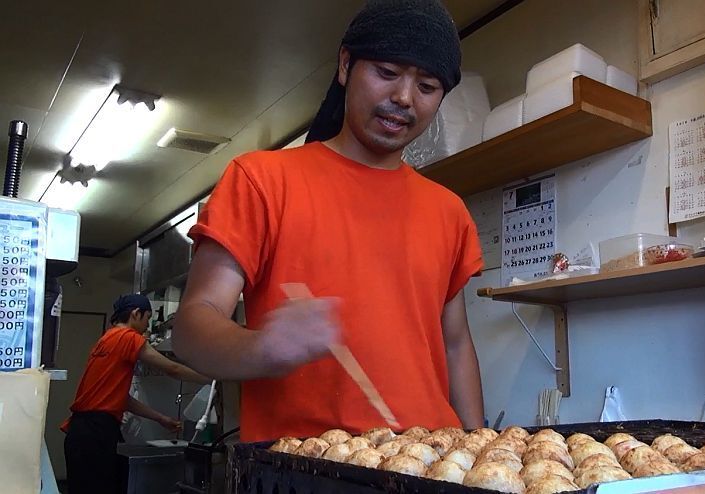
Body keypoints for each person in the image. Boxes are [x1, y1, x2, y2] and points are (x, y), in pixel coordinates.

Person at [173, 0, 484, 442]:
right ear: (345, 65)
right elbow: (191, 326)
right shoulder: (262, 180)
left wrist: (479, 446)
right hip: (307, 467)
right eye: (387, 72)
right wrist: (261, 348)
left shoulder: (449, 211)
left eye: (428, 86)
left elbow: (456, 345)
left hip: (429, 461)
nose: (403, 97)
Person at [62, 294, 210, 494]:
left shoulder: (106, 339)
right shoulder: (128, 337)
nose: (147, 326)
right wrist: (212, 378)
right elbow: (173, 370)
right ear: (135, 314)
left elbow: (122, 398)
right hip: (96, 431)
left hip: (81, 431)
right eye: (147, 318)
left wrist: (160, 418)